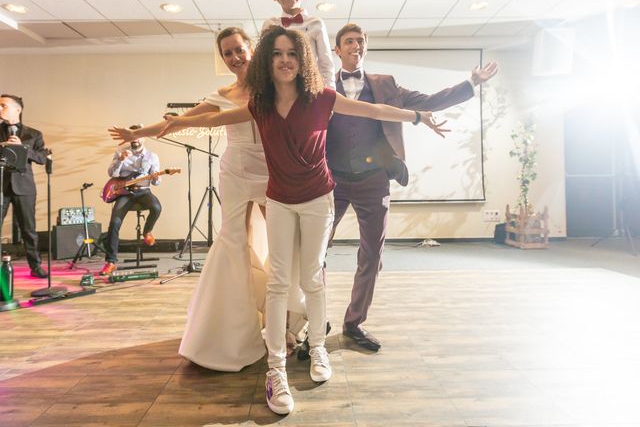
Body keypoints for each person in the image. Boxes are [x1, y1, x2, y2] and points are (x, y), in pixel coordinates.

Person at [156, 25, 448, 415]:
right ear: (268, 60)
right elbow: (212, 120)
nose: (284, 60)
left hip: (317, 200)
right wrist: (170, 124)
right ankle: (275, 369)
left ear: (302, 59)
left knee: (311, 277)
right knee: (279, 283)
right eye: (276, 54)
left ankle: (317, 351)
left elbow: (374, 110)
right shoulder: (260, 104)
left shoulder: (322, 98)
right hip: (279, 200)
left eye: (291, 53)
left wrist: (417, 116)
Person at [109, 27, 307, 371]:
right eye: (227, 53)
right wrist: (135, 134)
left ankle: (287, 326)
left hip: (272, 168)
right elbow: (181, 122)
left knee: (281, 246)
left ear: (252, 49)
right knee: (232, 242)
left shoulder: (272, 84)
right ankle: (228, 334)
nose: (234, 57)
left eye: (239, 50)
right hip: (233, 170)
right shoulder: (223, 92)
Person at [327, 23, 499, 351]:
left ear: (365, 47)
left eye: (360, 41)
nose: (355, 45)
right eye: (348, 41)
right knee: (316, 250)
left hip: (374, 178)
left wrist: (471, 83)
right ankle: (314, 315)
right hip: (331, 179)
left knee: (373, 252)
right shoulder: (323, 84)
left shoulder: (385, 84)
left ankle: (354, 323)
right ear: (337, 50)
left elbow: (430, 101)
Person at [262, 0, 336, 89]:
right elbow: (264, 63)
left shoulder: (316, 23)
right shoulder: (269, 25)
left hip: (309, 90)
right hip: (279, 92)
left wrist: (329, 100)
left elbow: (326, 65)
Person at [100, 125, 162, 276]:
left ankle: (147, 232)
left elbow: (156, 182)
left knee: (156, 207)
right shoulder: (120, 152)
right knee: (114, 223)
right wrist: (120, 161)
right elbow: (111, 173)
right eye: (132, 136)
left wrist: (156, 177)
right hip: (124, 193)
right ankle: (111, 262)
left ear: (143, 138)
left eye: (138, 136)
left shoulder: (152, 156)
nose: (135, 139)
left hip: (143, 191)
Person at [0, 94, 48, 278]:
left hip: (24, 187)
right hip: (1, 186)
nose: (0, 109)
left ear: (17, 109)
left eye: (3, 105)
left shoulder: (33, 134)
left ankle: (35, 266)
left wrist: (23, 148)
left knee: (28, 229)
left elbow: (42, 158)